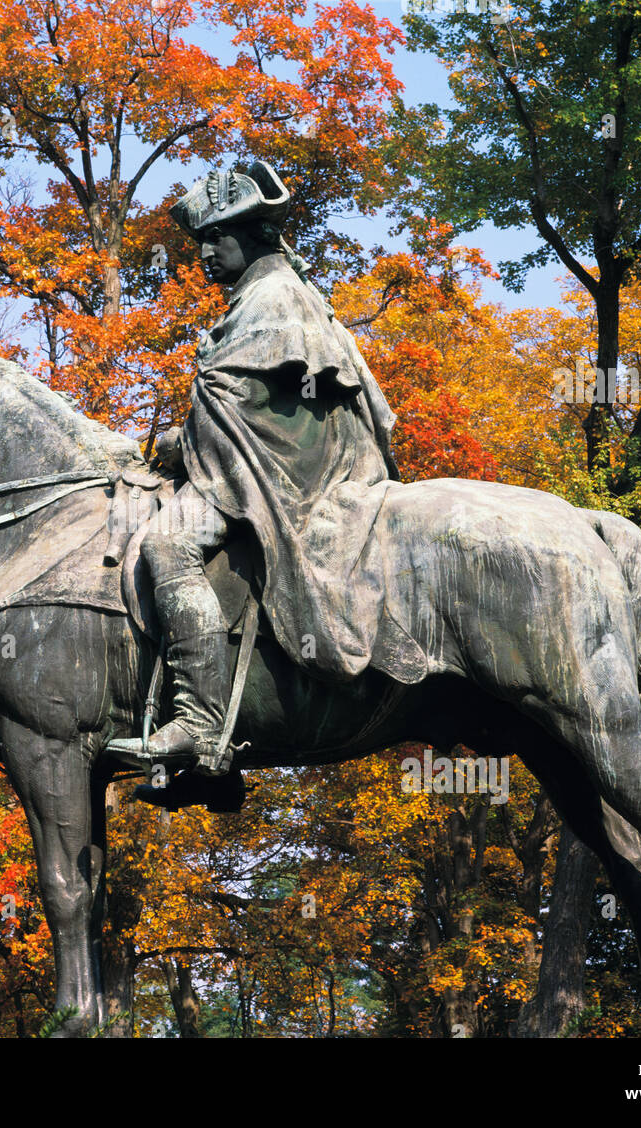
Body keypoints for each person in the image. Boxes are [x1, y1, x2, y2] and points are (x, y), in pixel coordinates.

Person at [118, 161, 402, 806]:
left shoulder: (274, 297)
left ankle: (198, 724)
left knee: (167, 546)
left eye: (214, 240)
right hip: (261, 462)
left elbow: (250, 410)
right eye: (200, 242)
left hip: (288, 473)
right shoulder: (267, 295)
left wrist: (178, 446)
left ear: (249, 236)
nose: (203, 255)